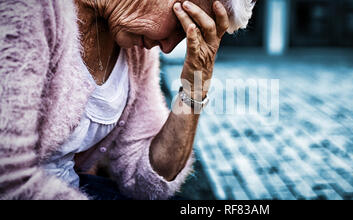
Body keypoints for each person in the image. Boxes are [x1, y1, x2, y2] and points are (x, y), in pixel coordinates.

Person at [0, 0, 256, 200]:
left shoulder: (138, 52)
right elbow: (9, 179)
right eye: (180, 25)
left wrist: (197, 81)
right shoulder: (28, 13)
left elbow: (144, 181)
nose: (167, 48)